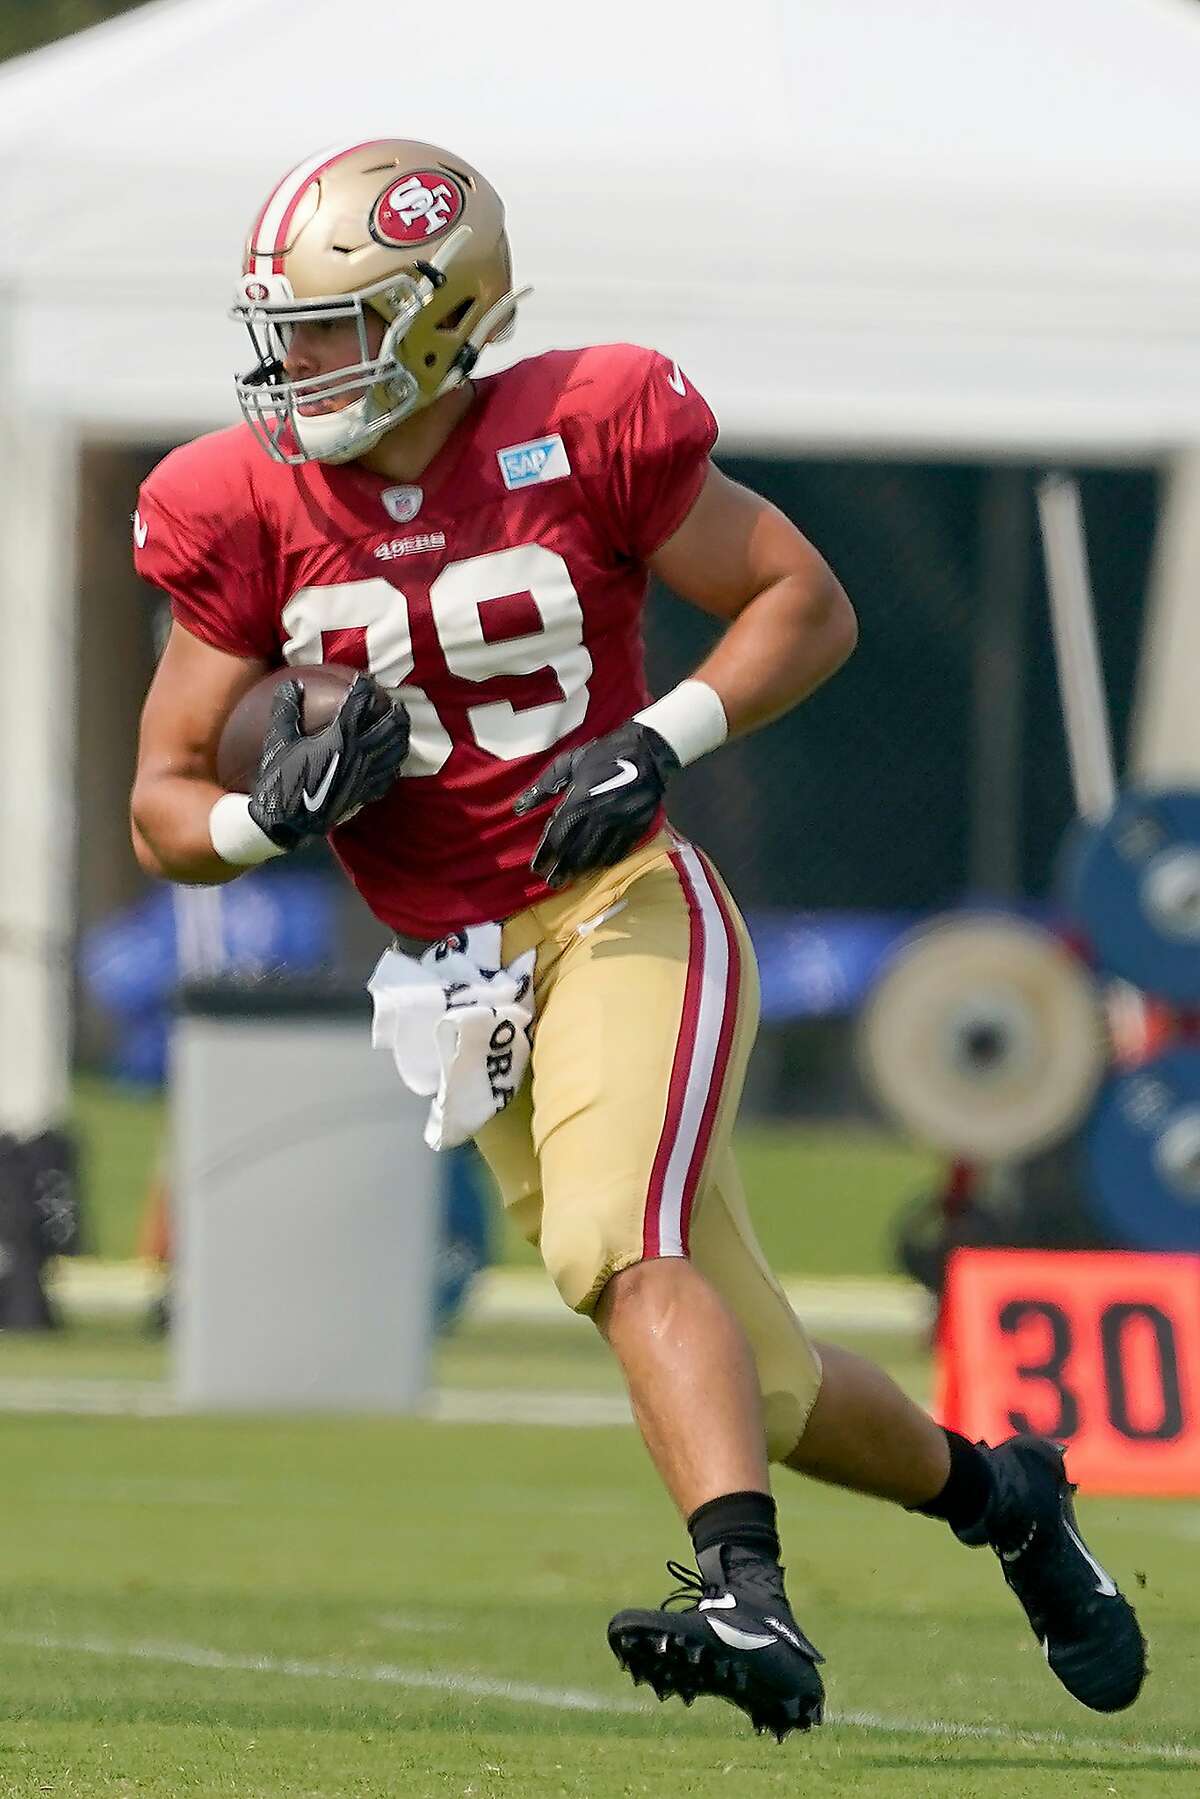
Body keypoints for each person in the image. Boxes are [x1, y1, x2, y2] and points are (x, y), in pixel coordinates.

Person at [130, 138, 1145, 1739]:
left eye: (332, 327)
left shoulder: (582, 422)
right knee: (773, 1379)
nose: (298, 364)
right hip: (462, 976)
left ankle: (745, 1589)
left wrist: (660, 739)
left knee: (618, 1241)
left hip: (622, 906)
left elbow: (803, 599)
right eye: (290, 330)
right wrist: (274, 815)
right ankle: (1010, 1502)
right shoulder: (238, 503)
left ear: (441, 314)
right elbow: (163, 804)